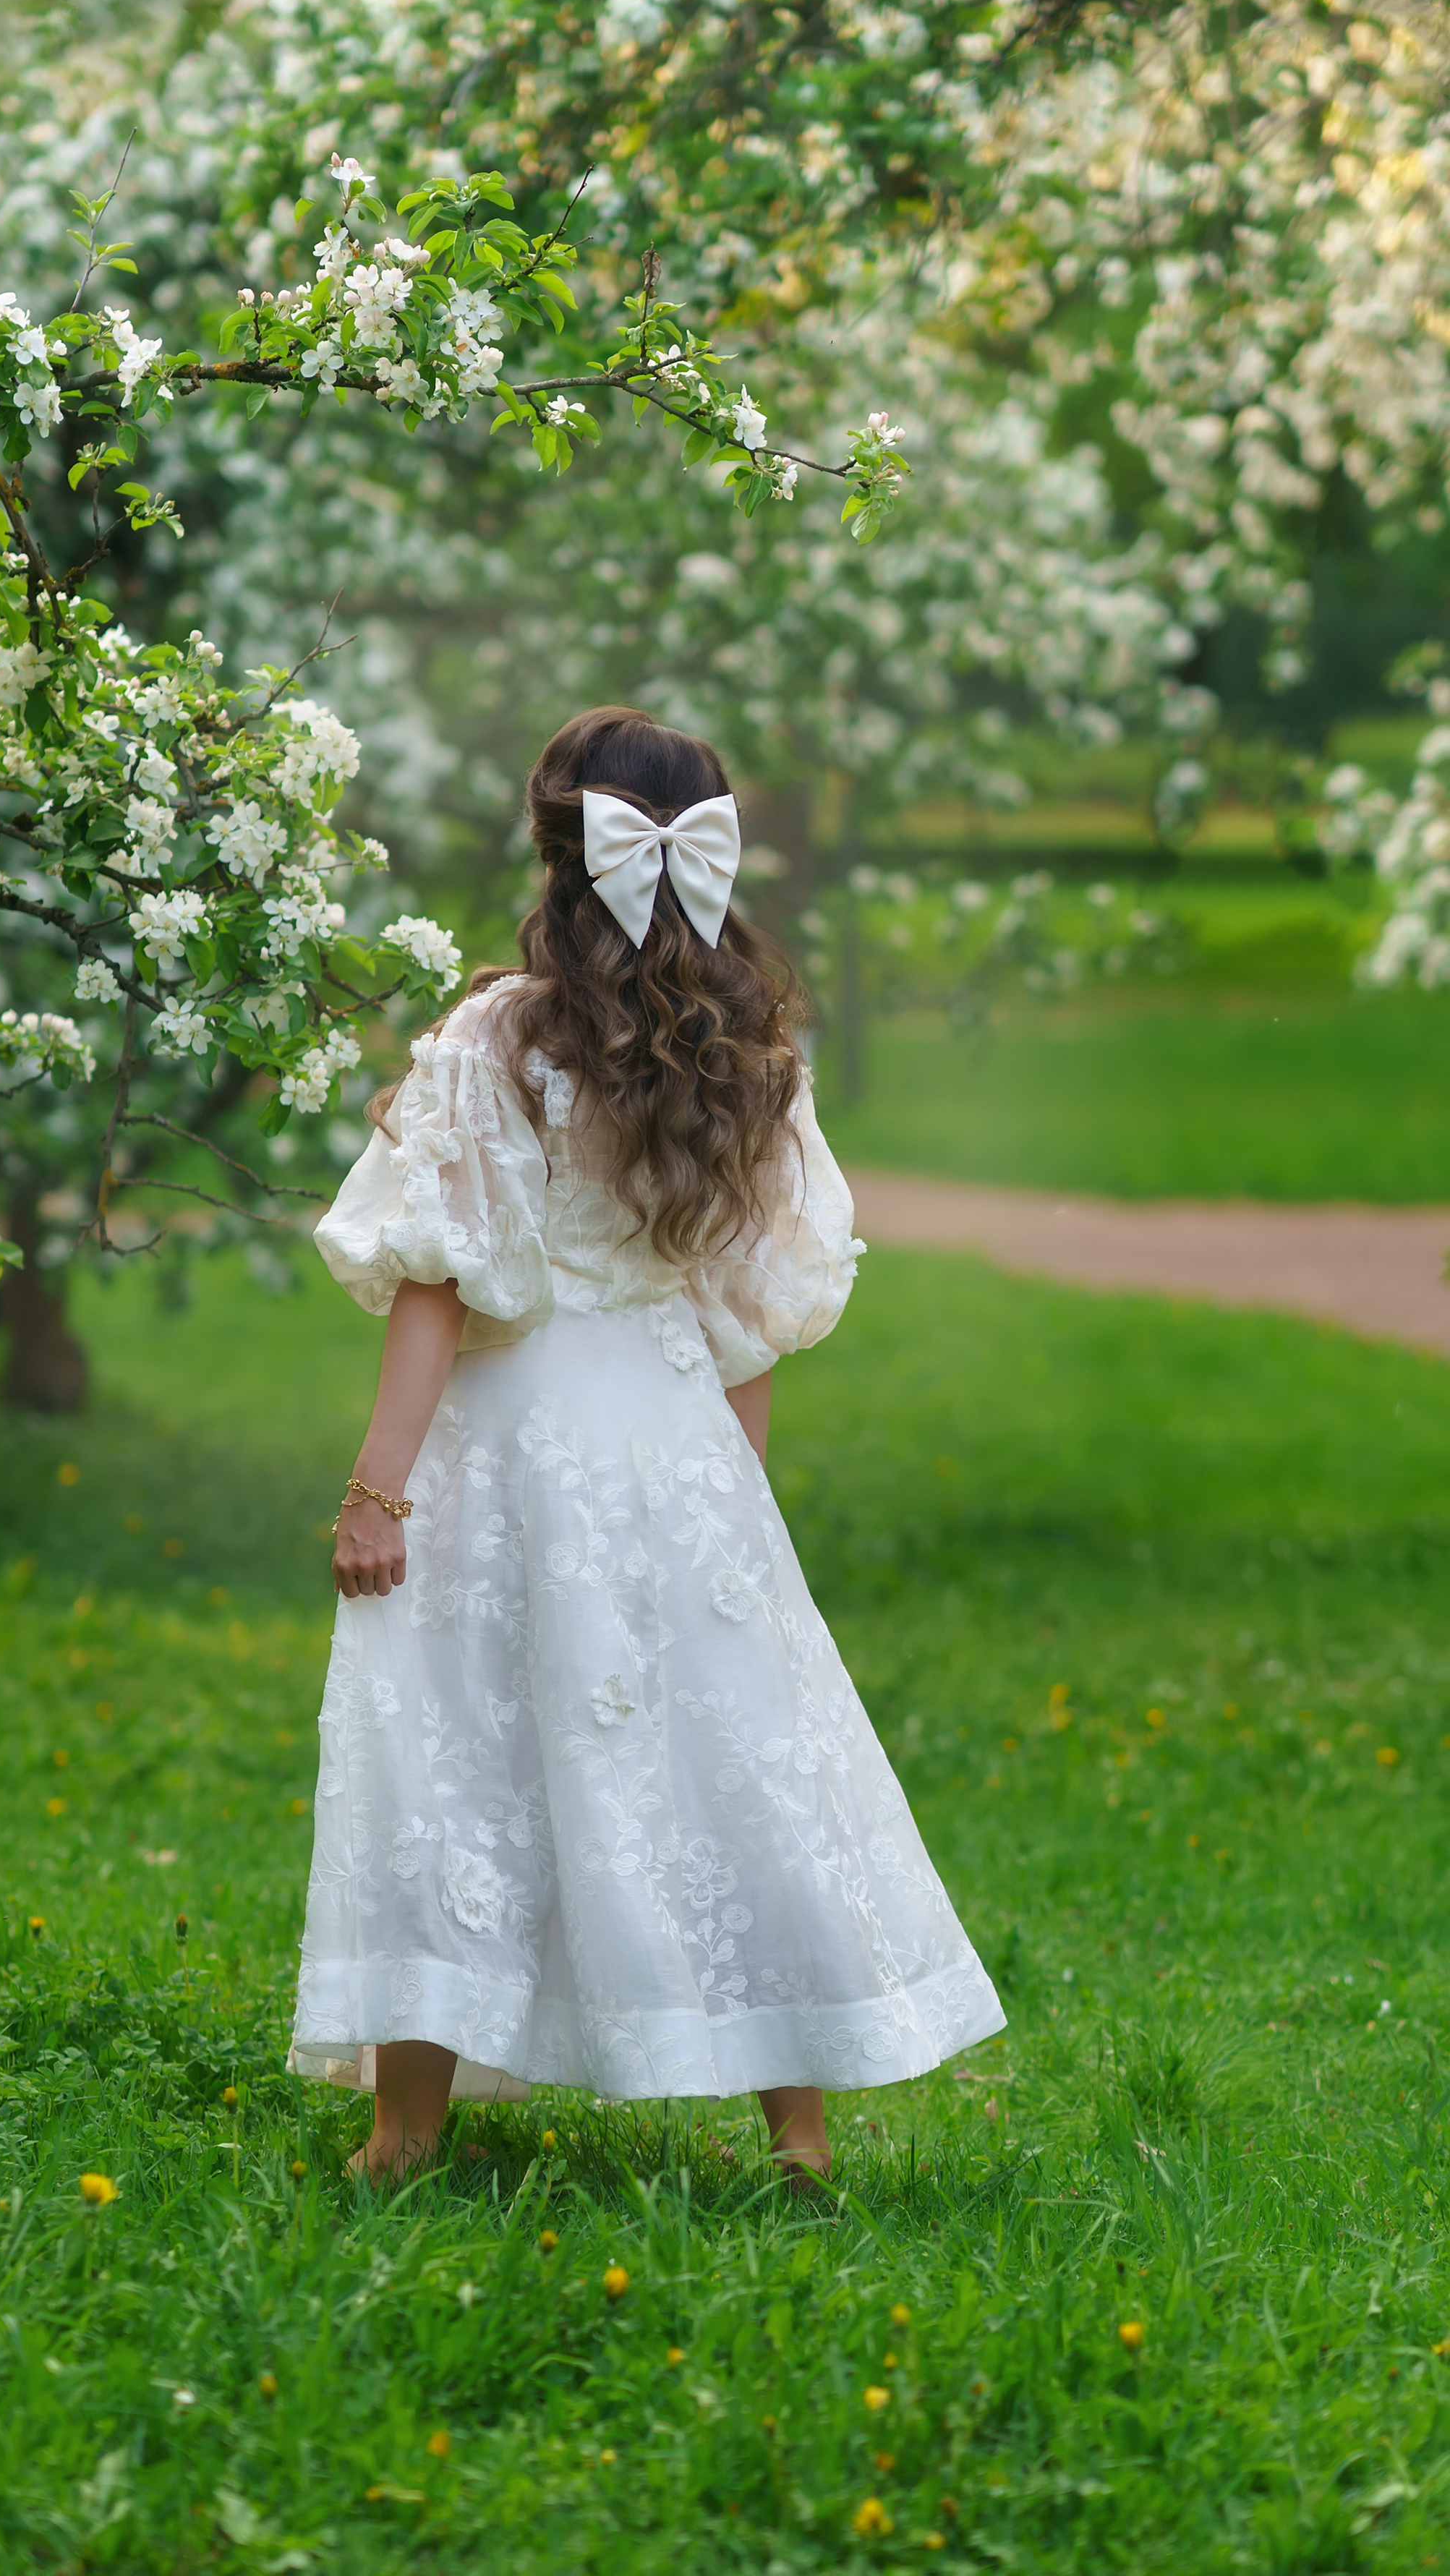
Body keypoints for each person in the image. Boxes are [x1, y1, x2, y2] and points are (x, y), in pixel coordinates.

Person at [290, 706, 1005, 2180]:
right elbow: (752, 1313)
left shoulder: (495, 1035)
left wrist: (377, 1491)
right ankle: (794, 2137)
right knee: (734, 1752)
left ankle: (401, 2140)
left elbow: (437, 1277)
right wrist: (729, 1495)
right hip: (669, 1430)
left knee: (454, 1757)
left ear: (554, 853)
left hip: (509, 1445)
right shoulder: (749, 1045)